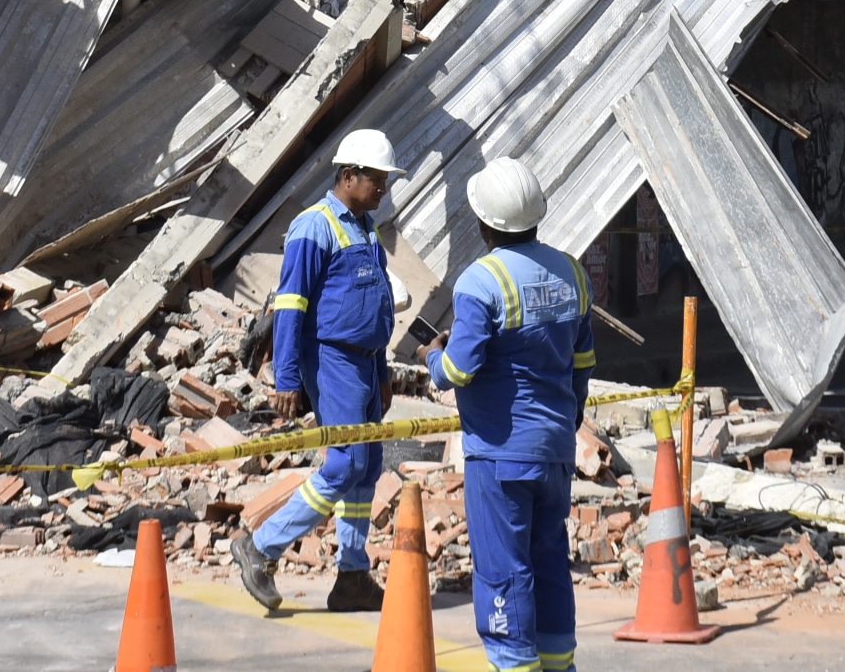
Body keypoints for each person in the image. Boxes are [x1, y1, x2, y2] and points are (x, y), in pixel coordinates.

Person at [425, 157, 595, 672]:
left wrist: (431, 357)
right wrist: (564, 423)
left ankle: (514, 665)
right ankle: (559, 663)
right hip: (555, 448)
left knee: (503, 570)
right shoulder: (573, 273)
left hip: (499, 454)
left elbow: (458, 370)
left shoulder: (482, 281)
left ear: (483, 224)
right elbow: (582, 366)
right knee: (548, 562)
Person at [231, 129, 407, 613]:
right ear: (348, 175)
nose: (383, 188)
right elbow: (290, 307)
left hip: (366, 363)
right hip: (332, 360)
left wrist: (385, 370)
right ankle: (260, 547)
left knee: (367, 466)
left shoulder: (365, 227)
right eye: (376, 179)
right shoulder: (315, 226)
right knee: (344, 463)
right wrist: (286, 377)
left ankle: (352, 575)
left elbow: (375, 305)